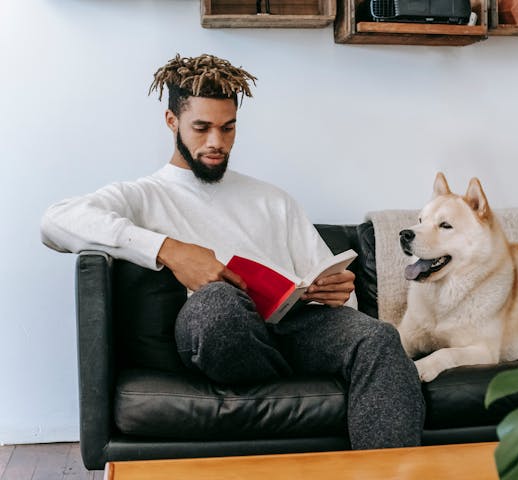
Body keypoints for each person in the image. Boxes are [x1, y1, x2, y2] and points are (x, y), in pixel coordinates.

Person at [41, 53, 424, 449]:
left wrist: (339, 291)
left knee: (377, 337)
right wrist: (169, 250)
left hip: (292, 329)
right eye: (201, 128)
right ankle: (288, 374)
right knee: (218, 305)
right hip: (218, 332)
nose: (216, 143)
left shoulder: (272, 199)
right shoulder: (143, 195)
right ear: (172, 122)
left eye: (228, 129)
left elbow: (326, 283)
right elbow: (56, 221)